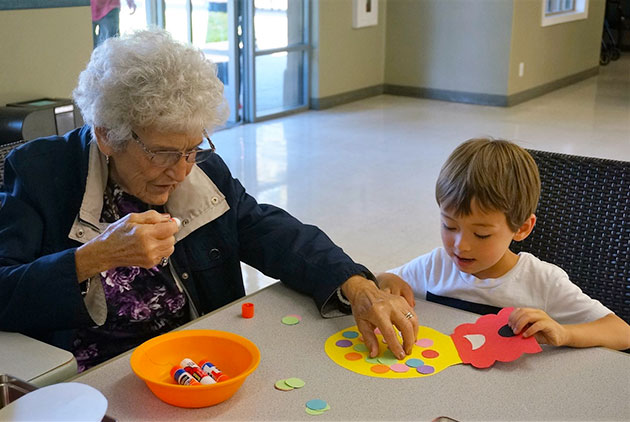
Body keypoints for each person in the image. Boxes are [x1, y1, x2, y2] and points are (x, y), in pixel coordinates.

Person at [0, 29, 416, 371]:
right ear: (108, 134)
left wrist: (354, 282)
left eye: (192, 148)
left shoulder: (201, 169)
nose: (182, 171)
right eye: (163, 153)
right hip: (97, 377)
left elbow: (269, 231)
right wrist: (95, 257)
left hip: (201, 364)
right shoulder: (40, 174)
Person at [377, 138, 630, 351]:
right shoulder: (435, 266)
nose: (460, 246)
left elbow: (621, 332)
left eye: (481, 235)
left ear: (522, 228)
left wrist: (564, 333)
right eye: (449, 227)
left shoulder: (543, 282)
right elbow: (380, 283)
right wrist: (386, 280)